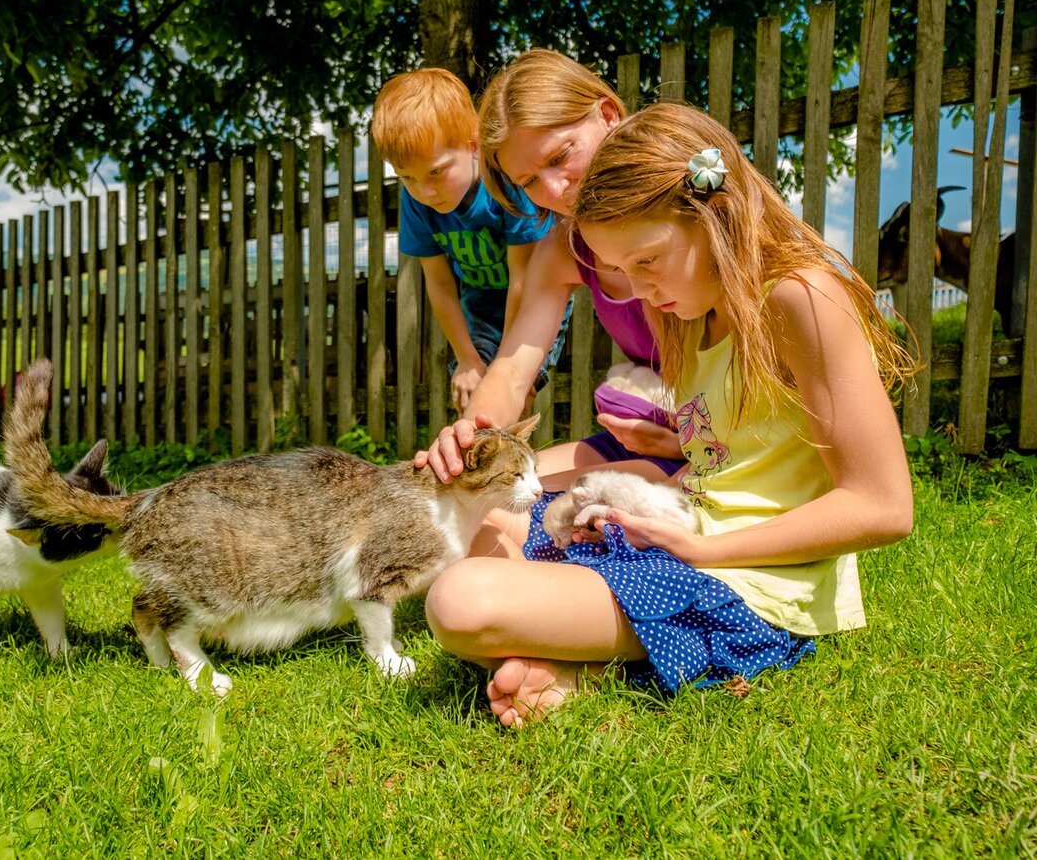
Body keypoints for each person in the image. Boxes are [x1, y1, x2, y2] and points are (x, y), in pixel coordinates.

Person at [424, 102, 916, 727]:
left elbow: (883, 507)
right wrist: (645, 491)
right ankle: (585, 657)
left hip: (750, 576)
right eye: (624, 271)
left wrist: (701, 551)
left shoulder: (802, 298)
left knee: (460, 601)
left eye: (647, 262)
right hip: (679, 532)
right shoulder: (688, 311)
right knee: (481, 514)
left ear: (712, 215)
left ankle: (590, 652)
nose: (638, 289)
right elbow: (725, 464)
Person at [414, 50, 683, 491]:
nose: (555, 190)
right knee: (496, 503)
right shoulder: (563, 248)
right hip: (648, 436)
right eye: (530, 182)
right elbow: (513, 370)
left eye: (560, 157)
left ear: (609, 115)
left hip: (724, 446)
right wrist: (467, 437)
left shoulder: (689, 219)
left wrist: (689, 446)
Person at [371, 68, 570, 414]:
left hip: (534, 295)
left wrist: (505, 367)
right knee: (474, 394)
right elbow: (439, 283)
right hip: (478, 307)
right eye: (407, 178)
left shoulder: (505, 186)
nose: (424, 191)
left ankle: (511, 465)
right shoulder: (415, 203)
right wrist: (467, 359)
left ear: (473, 143)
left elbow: (522, 278)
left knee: (511, 391)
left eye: (436, 171)